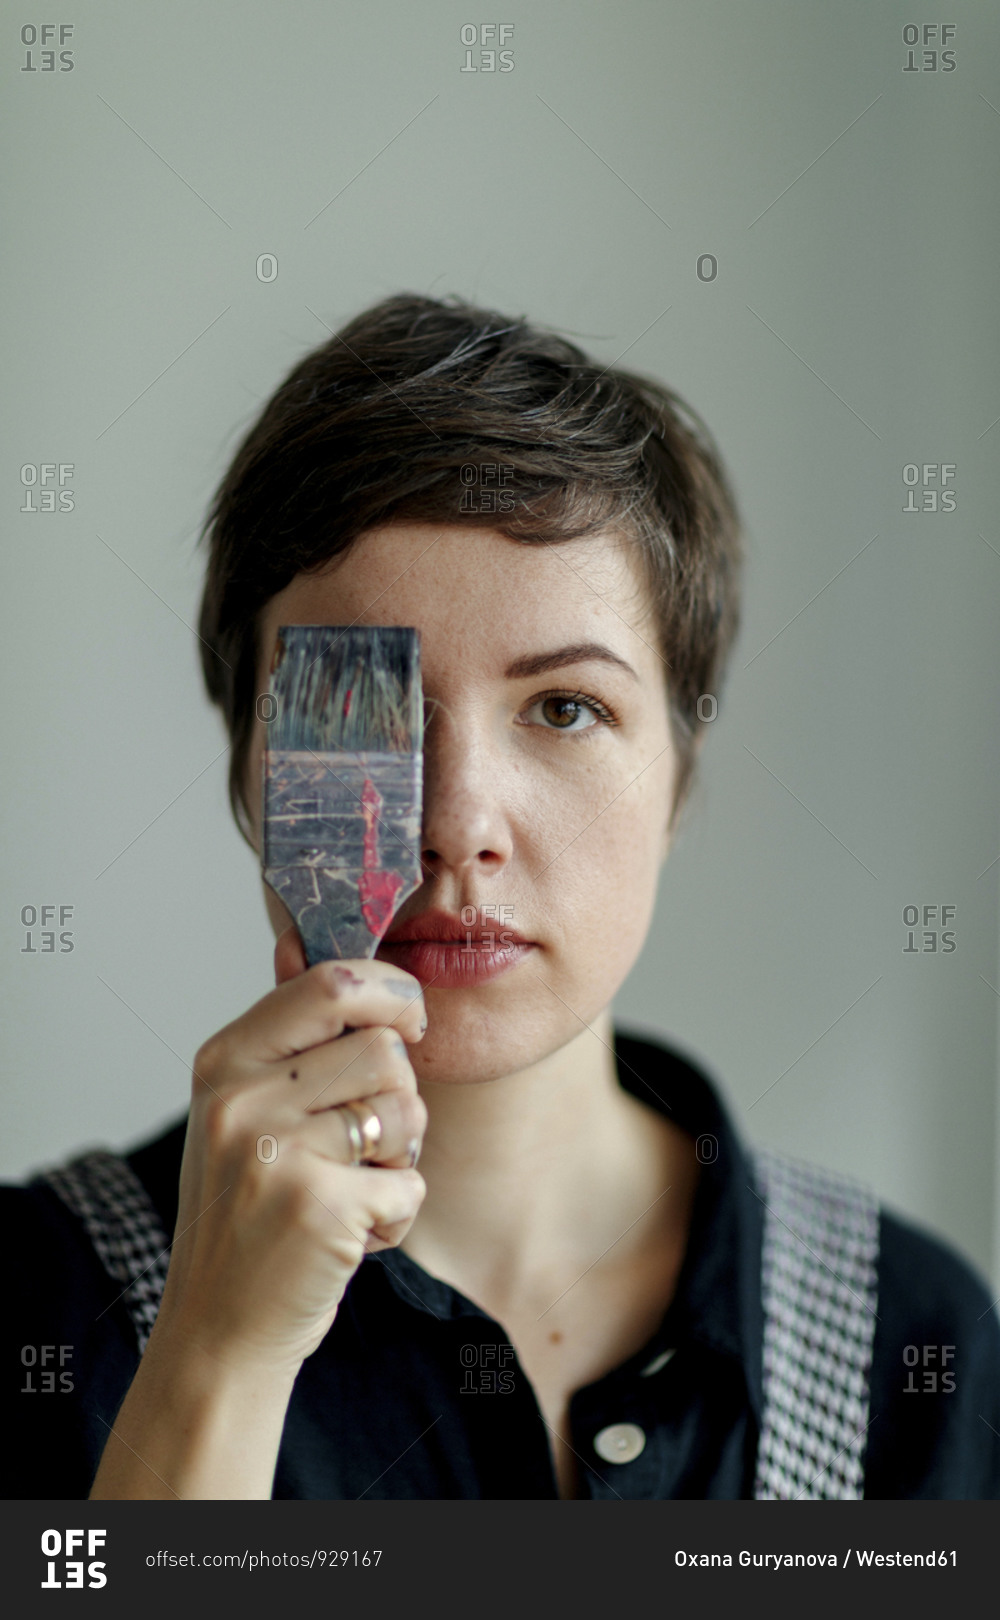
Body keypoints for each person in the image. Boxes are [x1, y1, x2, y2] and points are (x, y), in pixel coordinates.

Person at [3, 294, 998, 1501]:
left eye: (565, 707)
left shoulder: (918, 1347)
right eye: (360, 711)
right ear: (245, 777)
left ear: (677, 779)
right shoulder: (38, 1306)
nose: (456, 826)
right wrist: (216, 1367)